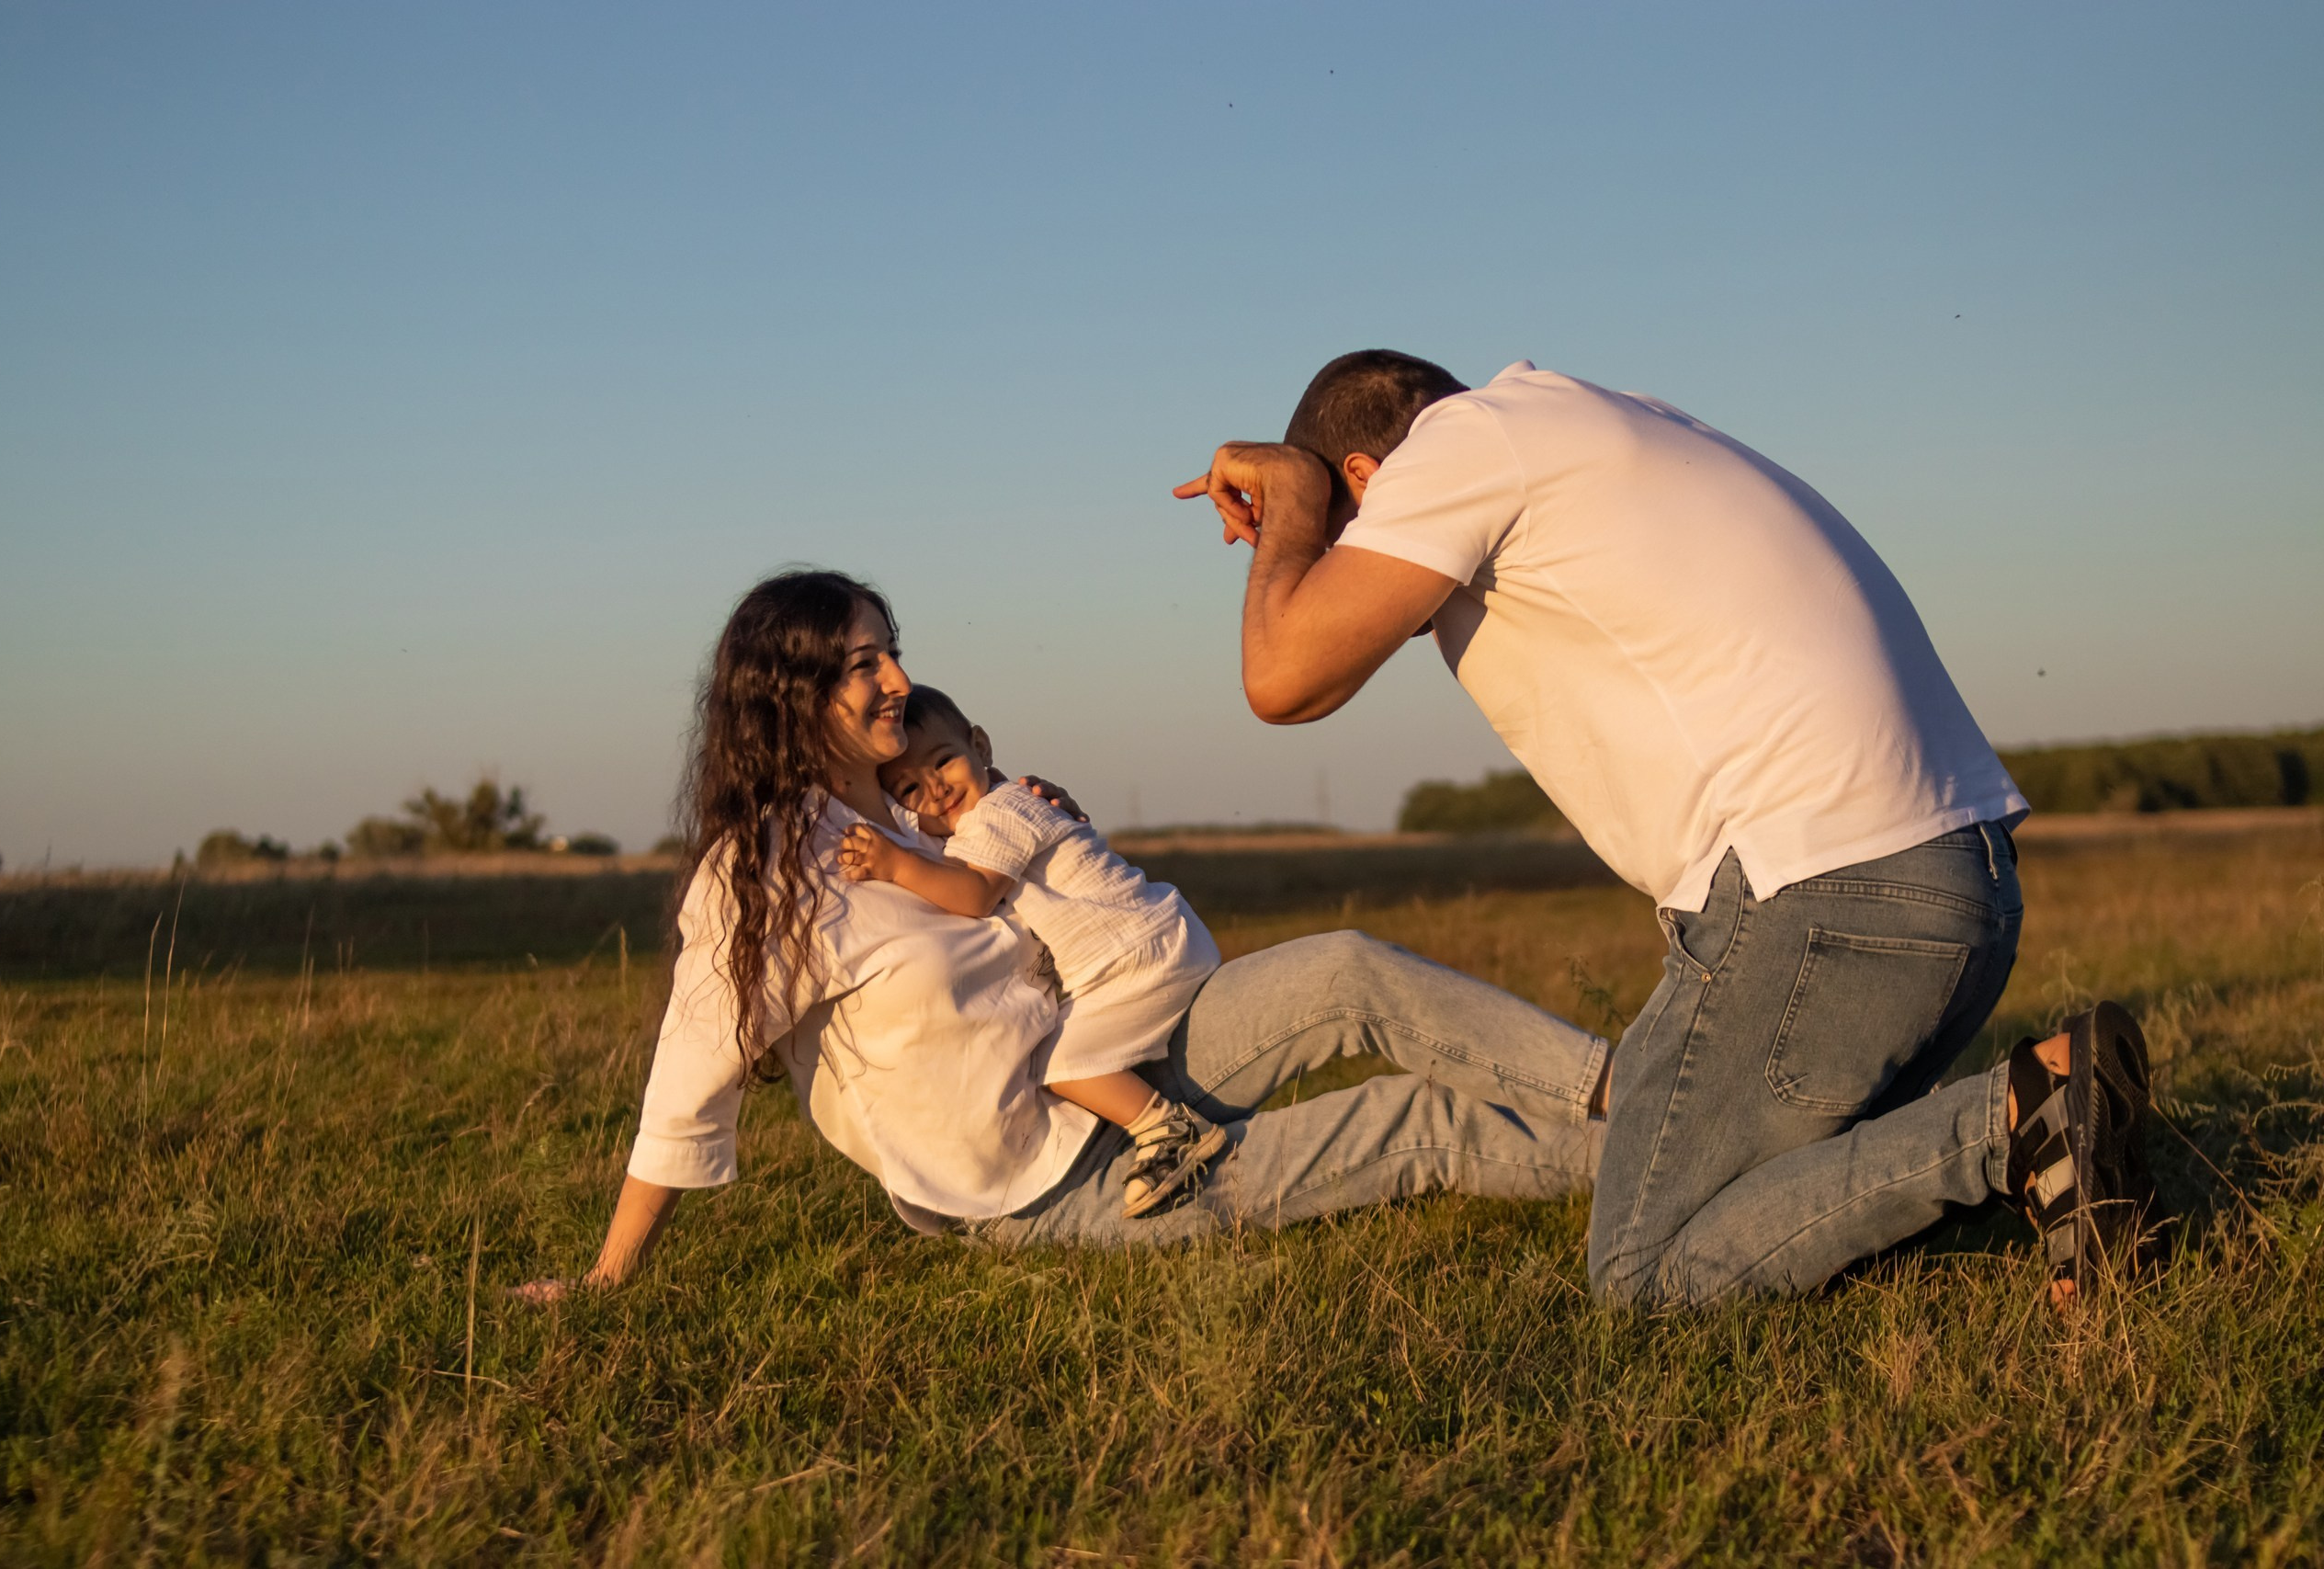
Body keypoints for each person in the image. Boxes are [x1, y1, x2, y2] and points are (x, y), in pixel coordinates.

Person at [1173, 350, 2167, 1309]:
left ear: (1364, 474)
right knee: (1755, 1201)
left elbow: (1285, 678)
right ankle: (2055, 1154)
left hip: (1821, 891)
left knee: (1646, 1272)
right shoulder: (1593, 422)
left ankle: (2019, 1117)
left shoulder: (1458, 446)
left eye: (1351, 533)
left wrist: (1294, 512)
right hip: (1958, 883)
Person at [520, 567, 1611, 1297]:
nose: (899, 680)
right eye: (863, 665)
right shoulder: (764, 871)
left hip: (1129, 1061)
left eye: (890, 652)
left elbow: (1050, 926)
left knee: (1347, 968)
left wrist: (1039, 828)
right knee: (1418, 1127)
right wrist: (608, 1277)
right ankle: (1680, 1145)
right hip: (1058, 1180)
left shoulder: (919, 816)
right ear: (788, 695)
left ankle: (1623, 1083)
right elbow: (689, 1070)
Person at [837, 685, 1230, 1219]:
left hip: (1139, 954)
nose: (934, 790)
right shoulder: (993, 813)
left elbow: (974, 894)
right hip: (1150, 939)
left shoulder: (1001, 812)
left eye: (944, 761)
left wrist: (895, 866)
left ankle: (1167, 1130)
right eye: (909, 789)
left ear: (981, 744)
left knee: (1056, 1063)